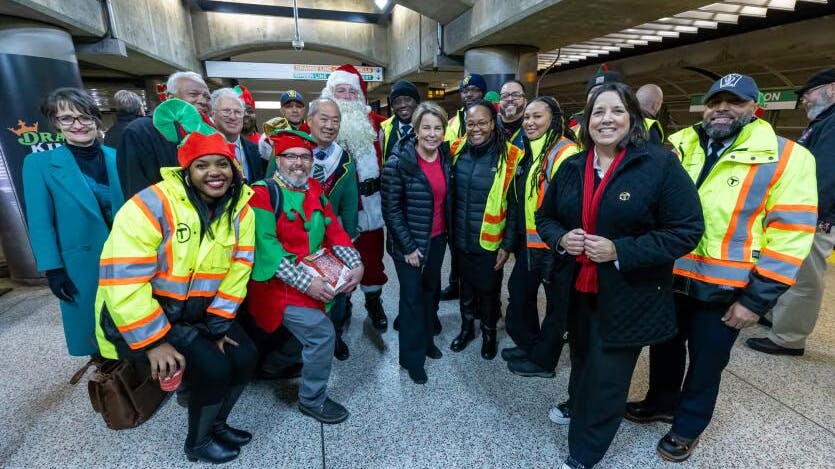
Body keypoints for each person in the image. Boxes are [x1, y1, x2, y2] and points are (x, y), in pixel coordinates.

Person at [624, 73, 818, 463]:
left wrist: (756, 301)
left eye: (735, 102)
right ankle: (661, 400)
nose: (722, 109)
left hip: (727, 287)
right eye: (716, 102)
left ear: (754, 107)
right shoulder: (677, 144)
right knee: (664, 344)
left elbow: (791, 237)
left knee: (708, 359)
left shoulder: (786, 157)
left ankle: (688, 426)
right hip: (671, 276)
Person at [535, 82, 704, 469]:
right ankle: (576, 403)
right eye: (598, 111)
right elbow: (545, 218)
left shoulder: (658, 164)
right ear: (587, 120)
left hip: (631, 293)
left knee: (609, 377)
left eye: (616, 111)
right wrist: (562, 238)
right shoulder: (573, 166)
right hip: (578, 289)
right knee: (581, 357)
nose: (606, 119)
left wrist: (620, 250)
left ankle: (584, 453)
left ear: (633, 118)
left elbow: (686, 229)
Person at [94, 99, 257, 463]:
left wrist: (218, 324)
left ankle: (217, 424)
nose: (214, 173)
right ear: (186, 170)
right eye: (202, 165)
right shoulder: (149, 205)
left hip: (198, 312)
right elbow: (122, 281)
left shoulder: (239, 208)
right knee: (214, 368)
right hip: (152, 314)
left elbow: (239, 267)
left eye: (223, 164)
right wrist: (153, 343)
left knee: (245, 357)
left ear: (233, 168)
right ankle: (197, 443)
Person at [243, 128, 364, 425]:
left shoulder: (314, 191)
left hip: (313, 275)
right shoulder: (261, 193)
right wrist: (307, 283)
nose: (299, 163)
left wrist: (356, 264)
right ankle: (312, 400)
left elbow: (335, 231)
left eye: (305, 157)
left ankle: (273, 365)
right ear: (278, 160)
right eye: (290, 156)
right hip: (277, 284)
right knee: (322, 334)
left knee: (320, 324)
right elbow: (267, 249)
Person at [23, 88, 125, 358]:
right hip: (80, 262)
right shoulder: (39, 164)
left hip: (126, 255)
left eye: (84, 117)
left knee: (131, 318)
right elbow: (40, 223)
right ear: (56, 123)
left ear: (96, 119)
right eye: (67, 118)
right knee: (93, 328)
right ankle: (111, 380)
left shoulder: (117, 157)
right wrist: (53, 269)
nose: (78, 124)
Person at [747, 67, 835, 356]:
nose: (804, 100)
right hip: (807, 214)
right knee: (790, 269)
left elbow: (824, 176)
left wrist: (808, 216)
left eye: (808, 93)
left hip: (814, 217)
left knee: (805, 277)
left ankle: (789, 338)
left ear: (831, 89)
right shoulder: (825, 122)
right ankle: (776, 317)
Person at [501, 97, 579, 372]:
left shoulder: (564, 152)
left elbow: (568, 207)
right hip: (531, 244)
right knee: (519, 292)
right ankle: (530, 345)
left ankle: (544, 361)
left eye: (537, 117)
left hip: (554, 247)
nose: (530, 123)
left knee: (557, 308)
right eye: (527, 118)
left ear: (553, 119)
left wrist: (557, 244)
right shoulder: (532, 150)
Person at [382, 102, 451, 384]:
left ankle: (426, 342)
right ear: (416, 129)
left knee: (429, 293)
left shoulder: (445, 157)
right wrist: (409, 247)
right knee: (411, 299)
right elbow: (391, 210)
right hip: (408, 244)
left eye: (438, 128)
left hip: (436, 238)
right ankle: (411, 359)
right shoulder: (399, 162)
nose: (432, 134)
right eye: (427, 128)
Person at [448, 100, 520, 359]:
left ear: (493, 123)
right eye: (471, 123)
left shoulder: (509, 156)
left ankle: (489, 333)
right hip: (460, 237)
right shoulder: (455, 149)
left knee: (489, 291)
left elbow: (514, 206)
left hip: (490, 242)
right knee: (465, 288)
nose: (476, 128)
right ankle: (467, 329)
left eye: (482, 123)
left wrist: (507, 244)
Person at [321, 64, 390, 331]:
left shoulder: (377, 124)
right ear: (331, 93)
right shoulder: (318, 124)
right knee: (339, 261)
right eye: (341, 90)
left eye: (352, 91)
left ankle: (374, 302)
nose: (347, 96)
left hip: (372, 207)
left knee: (372, 260)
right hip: (336, 213)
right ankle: (344, 304)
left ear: (360, 96)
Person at [308, 97, 359, 360]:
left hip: (333, 239)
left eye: (335, 120)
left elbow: (350, 204)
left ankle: (335, 336)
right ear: (310, 121)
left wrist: (349, 242)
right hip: (299, 240)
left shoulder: (345, 159)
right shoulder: (289, 151)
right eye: (324, 119)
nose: (329, 125)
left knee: (337, 293)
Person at [117, 71, 212, 198]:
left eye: (207, 97)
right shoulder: (139, 132)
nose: (203, 101)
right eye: (193, 94)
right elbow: (137, 190)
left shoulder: (207, 134)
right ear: (170, 97)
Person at [441, 73, 488, 302]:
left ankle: (482, 294)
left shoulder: (492, 120)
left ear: (483, 93)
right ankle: (455, 283)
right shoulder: (452, 123)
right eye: (465, 91)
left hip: (482, 193)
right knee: (457, 245)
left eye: (474, 90)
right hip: (457, 192)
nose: (469, 94)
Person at [210, 87, 265, 183]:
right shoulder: (203, 147)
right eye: (226, 111)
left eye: (238, 112)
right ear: (213, 114)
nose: (232, 117)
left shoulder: (255, 150)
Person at [567, 70, 624, 139]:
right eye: (593, 91)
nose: (597, 95)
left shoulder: (633, 124)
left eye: (603, 90)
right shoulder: (575, 125)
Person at [381, 80, 420, 161]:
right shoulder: (383, 129)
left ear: (417, 102)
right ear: (392, 107)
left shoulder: (429, 127)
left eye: (408, 99)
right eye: (397, 101)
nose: (403, 105)